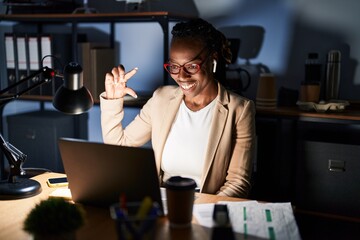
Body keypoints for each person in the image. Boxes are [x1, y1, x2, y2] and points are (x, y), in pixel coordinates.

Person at [100, 18, 256, 198]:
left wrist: (199, 211)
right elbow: (120, 145)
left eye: (191, 66)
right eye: (174, 66)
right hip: (162, 201)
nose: (181, 76)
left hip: (207, 207)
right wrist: (113, 99)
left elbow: (238, 182)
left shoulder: (240, 109)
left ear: (213, 60)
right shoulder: (161, 98)